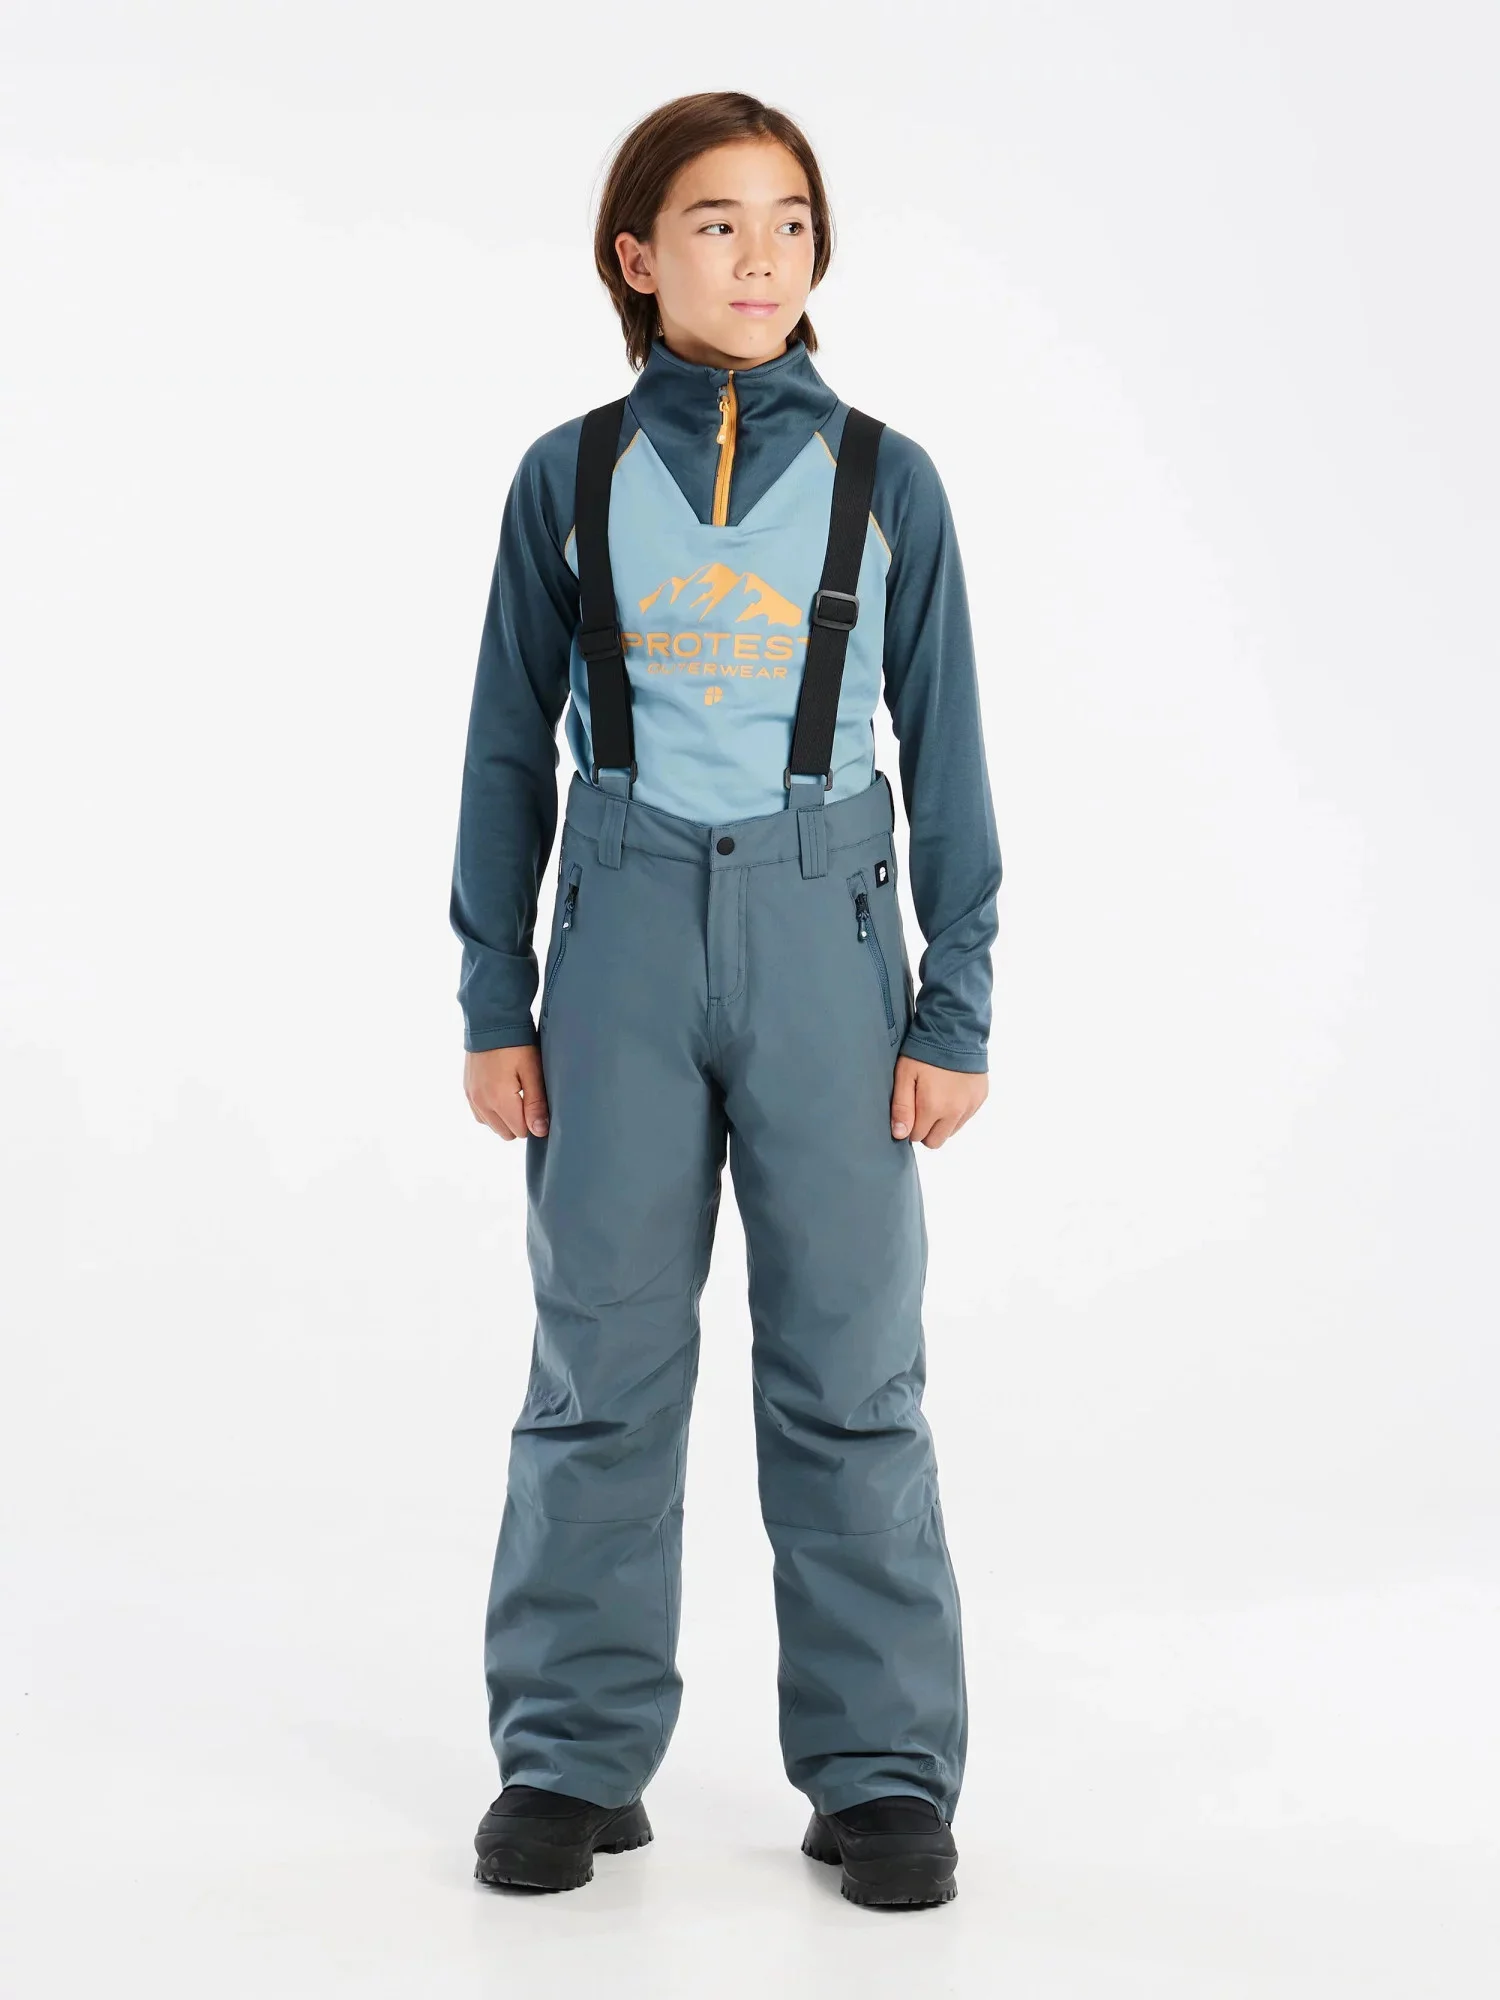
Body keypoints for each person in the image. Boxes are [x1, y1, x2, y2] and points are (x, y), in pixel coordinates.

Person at [450, 90, 1002, 1911]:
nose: (759, 257)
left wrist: (955, 1004)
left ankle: (882, 1772)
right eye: (714, 222)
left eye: (788, 222)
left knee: (851, 1369)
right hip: (615, 933)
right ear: (636, 256)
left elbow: (947, 753)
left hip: (826, 934)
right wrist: (494, 994)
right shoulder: (568, 474)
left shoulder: (886, 479)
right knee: (598, 1363)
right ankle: (567, 1754)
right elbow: (507, 753)